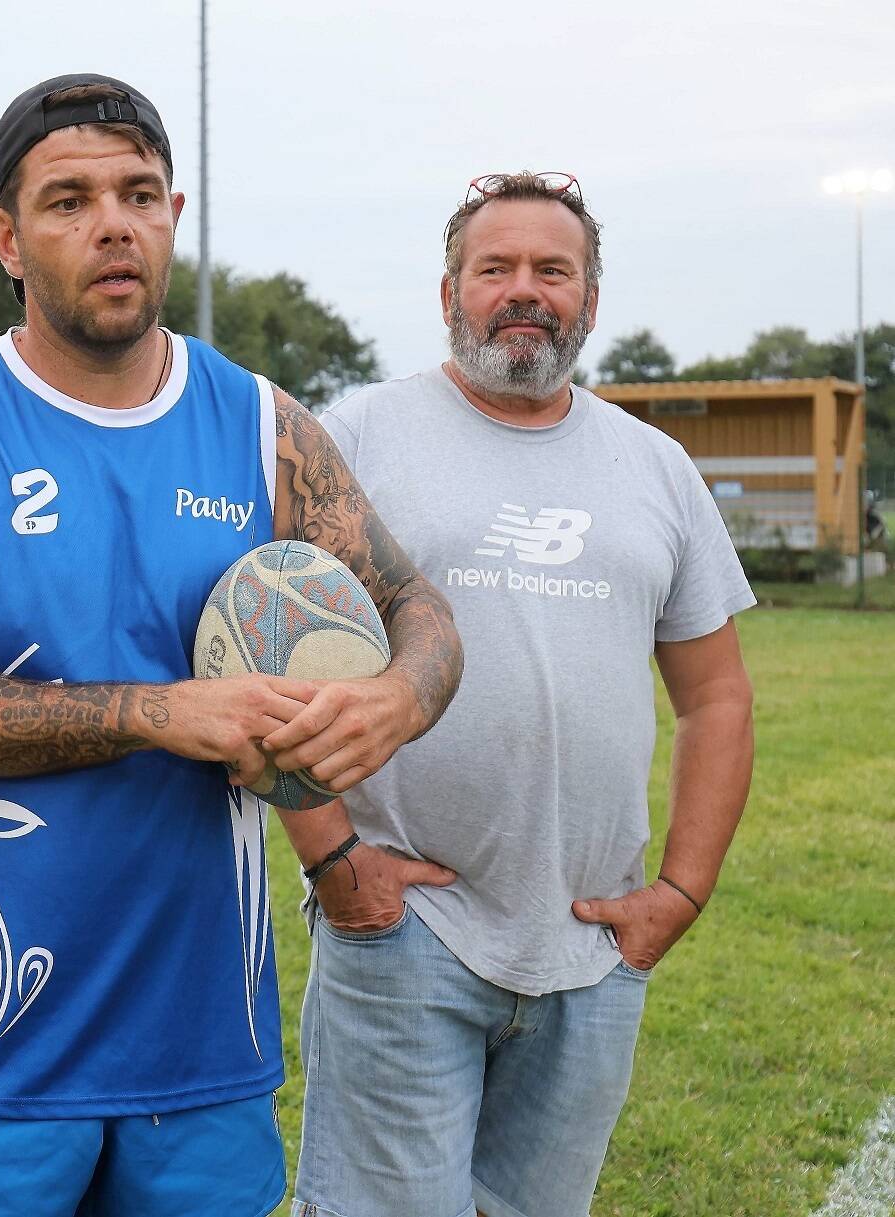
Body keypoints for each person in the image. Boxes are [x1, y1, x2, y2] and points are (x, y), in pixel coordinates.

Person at [0, 73, 461, 1217]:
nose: (112, 222)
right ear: (7, 239)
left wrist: (398, 700)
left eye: (138, 193)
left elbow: (418, 608)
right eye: (67, 199)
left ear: (175, 212)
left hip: (202, 1045)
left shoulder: (264, 426)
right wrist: (157, 712)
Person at [278, 172, 756, 1217]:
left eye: (553, 268)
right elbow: (265, 655)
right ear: (449, 290)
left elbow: (715, 698)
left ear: (590, 297)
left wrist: (677, 893)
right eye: (495, 267)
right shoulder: (354, 436)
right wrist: (335, 858)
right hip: (406, 930)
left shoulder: (656, 467)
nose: (523, 290)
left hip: (593, 948)